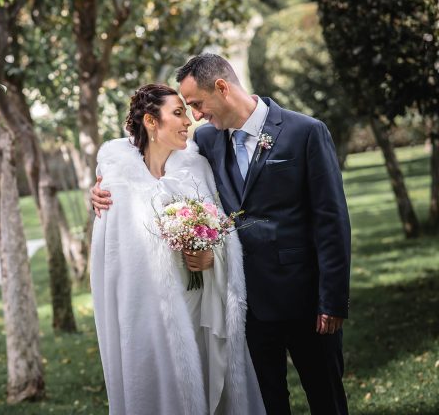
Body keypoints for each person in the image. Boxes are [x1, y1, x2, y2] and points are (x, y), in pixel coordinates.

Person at [92, 54, 351, 415]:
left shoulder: (305, 131)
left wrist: (332, 300)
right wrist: (103, 185)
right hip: (247, 308)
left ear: (222, 87)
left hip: (304, 299)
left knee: (327, 400)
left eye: (197, 104)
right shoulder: (207, 141)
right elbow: (146, 153)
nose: (196, 116)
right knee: (269, 405)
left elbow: (331, 219)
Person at [91, 83, 265, 415]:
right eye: (178, 113)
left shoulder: (197, 168)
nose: (188, 121)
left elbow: (224, 231)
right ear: (150, 121)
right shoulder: (117, 183)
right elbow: (110, 261)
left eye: (187, 112)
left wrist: (211, 256)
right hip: (146, 317)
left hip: (200, 310)